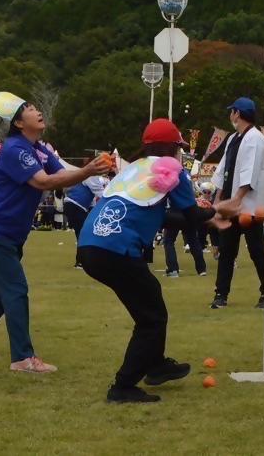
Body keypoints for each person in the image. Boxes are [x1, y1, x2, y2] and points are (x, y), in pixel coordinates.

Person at [0, 91, 110, 373]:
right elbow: (44, 182)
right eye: (30, 109)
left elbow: (64, 171)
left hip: (10, 234)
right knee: (15, 289)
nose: (38, 111)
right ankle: (23, 358)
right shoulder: (16, 149)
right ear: (18, 123)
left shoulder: (39, 148)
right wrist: (89, 171)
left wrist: (98, 170)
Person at [76, 118, 210, 403]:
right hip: (116, 249)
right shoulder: (171, 170)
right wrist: (222, 214)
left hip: (91, 245)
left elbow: (159, 214)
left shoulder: (134, 169)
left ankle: (156, 363)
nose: (180, 153)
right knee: (152, 318)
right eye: (179, 147)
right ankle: (123, 386)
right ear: (173, 147)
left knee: (150, 300)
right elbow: (191, 216)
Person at [209, 97, 264, 310]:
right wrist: (219, 200)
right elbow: (223, 170)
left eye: (232, 111)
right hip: (231, 204)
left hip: (249, 206)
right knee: (227, 250)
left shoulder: (255, 138)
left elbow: (250, 171)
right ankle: (221, 294)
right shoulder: (234, 138)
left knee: (256, 250)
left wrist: (237, 199)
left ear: (237, 113)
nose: (230, 115)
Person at [62, 167, 105, 268]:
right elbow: (100, 192)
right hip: (75, 205)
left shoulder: (91, 176)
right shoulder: (92, 175)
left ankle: (83, 260)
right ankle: (81, 261)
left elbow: (92, 201)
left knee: (84, 233)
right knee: (83, 234)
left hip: (74, 206)